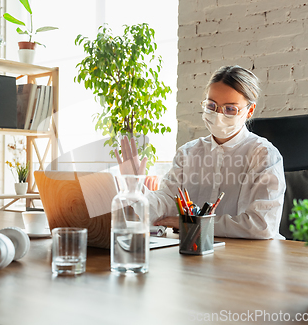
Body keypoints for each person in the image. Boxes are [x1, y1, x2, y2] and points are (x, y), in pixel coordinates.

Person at [115, 65, 286, 239]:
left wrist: (192, 223)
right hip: (194, 250)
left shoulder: (264, 155)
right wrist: (135, 189)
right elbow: (166, 202)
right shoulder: (187, 153)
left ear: (249, 110)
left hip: (253, 256)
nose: (218, 115)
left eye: (230, 109)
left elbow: (261, 225)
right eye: (212, 106)